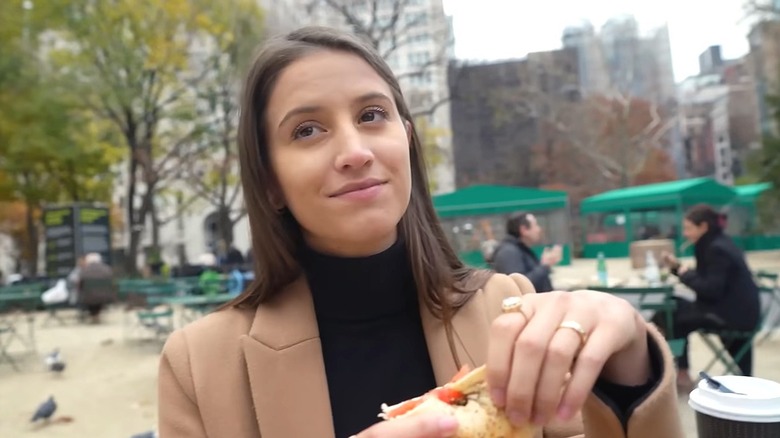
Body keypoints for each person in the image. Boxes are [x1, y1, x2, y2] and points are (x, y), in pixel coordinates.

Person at [158, 27, 683, 438]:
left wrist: (628, 367)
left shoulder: (511, 308)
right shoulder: (199, 367)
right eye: (307, 130)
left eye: (371, 115)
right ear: (270, 181)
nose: (356, 151)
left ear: (406, 142)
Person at [659, 204, 760, 390]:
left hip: (731, 316)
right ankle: (681, 370)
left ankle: (680, 372)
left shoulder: (715, 249)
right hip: (739, 312)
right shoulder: (719, 242)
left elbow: (710, 289)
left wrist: (682, 272)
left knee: (670, 313)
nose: (686, 234)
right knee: (673, 307)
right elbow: (709, 281)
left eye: (689, 228)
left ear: (703, 227)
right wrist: (679, 269)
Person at [491, 212, 562, 292]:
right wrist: (544, 266)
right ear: (524, 229)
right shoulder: (509, 253)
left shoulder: (519, 249)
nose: (539, 229)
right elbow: (520, 286)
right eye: (535, 225)